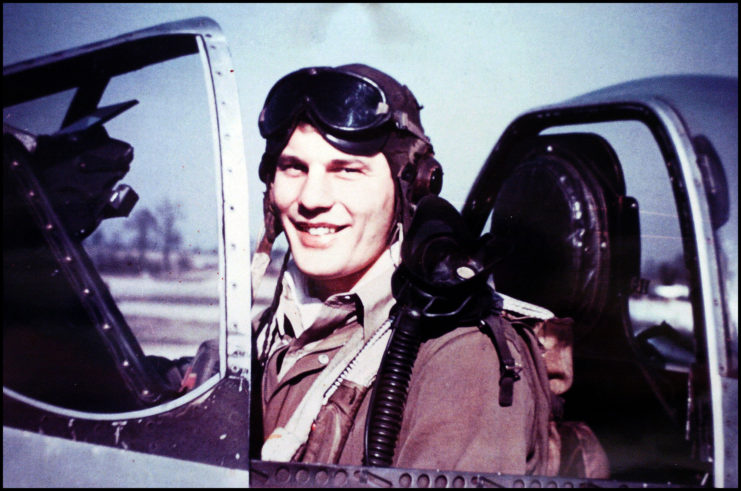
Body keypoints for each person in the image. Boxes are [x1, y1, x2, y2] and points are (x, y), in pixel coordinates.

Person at [250, 63, 554, 474]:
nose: (311, 198)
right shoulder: (269, 330)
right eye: (294, 168)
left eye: (347, 171)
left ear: (411, 188)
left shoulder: (458, 354)